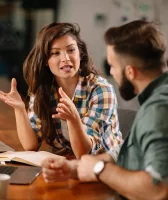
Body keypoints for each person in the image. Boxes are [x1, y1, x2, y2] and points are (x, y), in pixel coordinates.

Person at [41, 20, 168, 200]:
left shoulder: (158, 110)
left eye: (113, 66)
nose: (112, 74)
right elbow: (127, 152)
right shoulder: (155, 100)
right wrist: (75, 168)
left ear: (130, 72)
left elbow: (159, 188)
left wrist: (99, 169)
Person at [0, 22, 122, 158]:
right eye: (55, 53)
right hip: (67, 163)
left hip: (105, 166)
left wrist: (74, 120)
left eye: (71, 50)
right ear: (45, 61)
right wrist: (19, 109)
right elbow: (30, 146)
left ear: (81, 53)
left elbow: (84, 153)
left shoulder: (101, 90)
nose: (65, 59)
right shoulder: (43, 90)